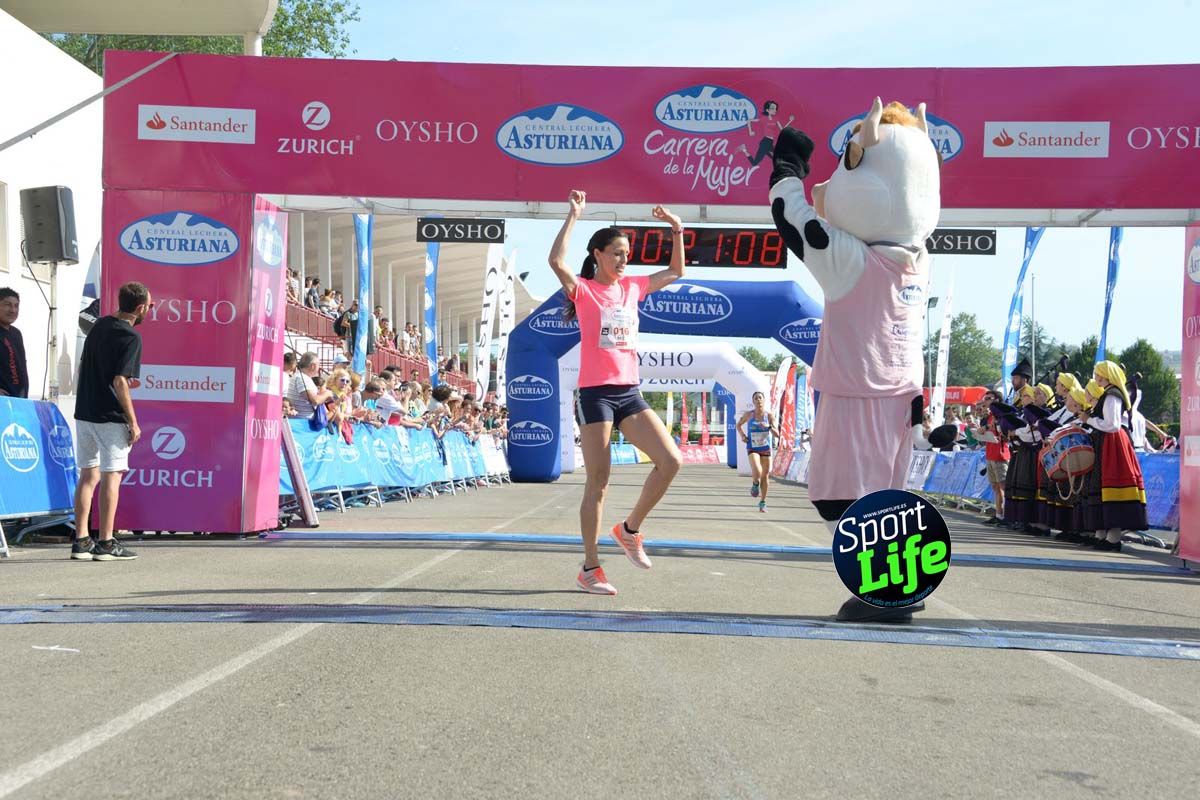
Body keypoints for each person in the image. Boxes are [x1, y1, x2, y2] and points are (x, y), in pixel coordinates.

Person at [550, 188, 685, 596]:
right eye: (617, 253)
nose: (625, 260)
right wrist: (574, 215)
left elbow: (676, 272)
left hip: (629, 391)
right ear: (597, 255)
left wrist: (677, 231)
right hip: (594, 394)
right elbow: (556, 261)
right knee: (599, 481)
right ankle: (590, 568)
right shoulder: (585, 291)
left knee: (671, 460)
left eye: (627, 253)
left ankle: (629, 530)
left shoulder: (634, 288)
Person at [71, 281, 153, 562]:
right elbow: (120, 381)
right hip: (109, 415)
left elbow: (90, 368)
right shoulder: (131, 337)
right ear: (140, 307)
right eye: (150, 307)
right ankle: (106, 541)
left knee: (88, 475)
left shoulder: (99, 326)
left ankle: (81, 540)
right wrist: (133, 420)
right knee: (111, 475)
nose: (149, 311)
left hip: (85, 411)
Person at [1086, 361, 1148, 550]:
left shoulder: (1113, 395)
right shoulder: (1109, 394)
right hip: (1107, 443)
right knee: (1101, 485)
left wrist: (1088, 419)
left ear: (1106, 375)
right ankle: (1103, 535)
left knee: (1113, 486)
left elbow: (1112, 424)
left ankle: (1113, 538)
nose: (1096, 378)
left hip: (1113, 443)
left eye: (1098, 374)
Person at [736, 391, 779, 513]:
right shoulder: (749, 415)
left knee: (765, 475)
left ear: (764, 400)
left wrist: (769, 427)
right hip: (752, 447)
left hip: (765, 448)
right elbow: (738, 425)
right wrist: (743, 436)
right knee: (758, 470)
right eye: (756, 398)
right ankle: (755, 484)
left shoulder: (769, 416)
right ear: (753, 401)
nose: (758, 400)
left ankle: (762, 502)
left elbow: (777, 434)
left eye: (760, 398)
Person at [0, 287, 29, 398]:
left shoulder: (16, 333)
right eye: (7, 304)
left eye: (16, 306)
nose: (13, 310)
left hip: (18, 400)